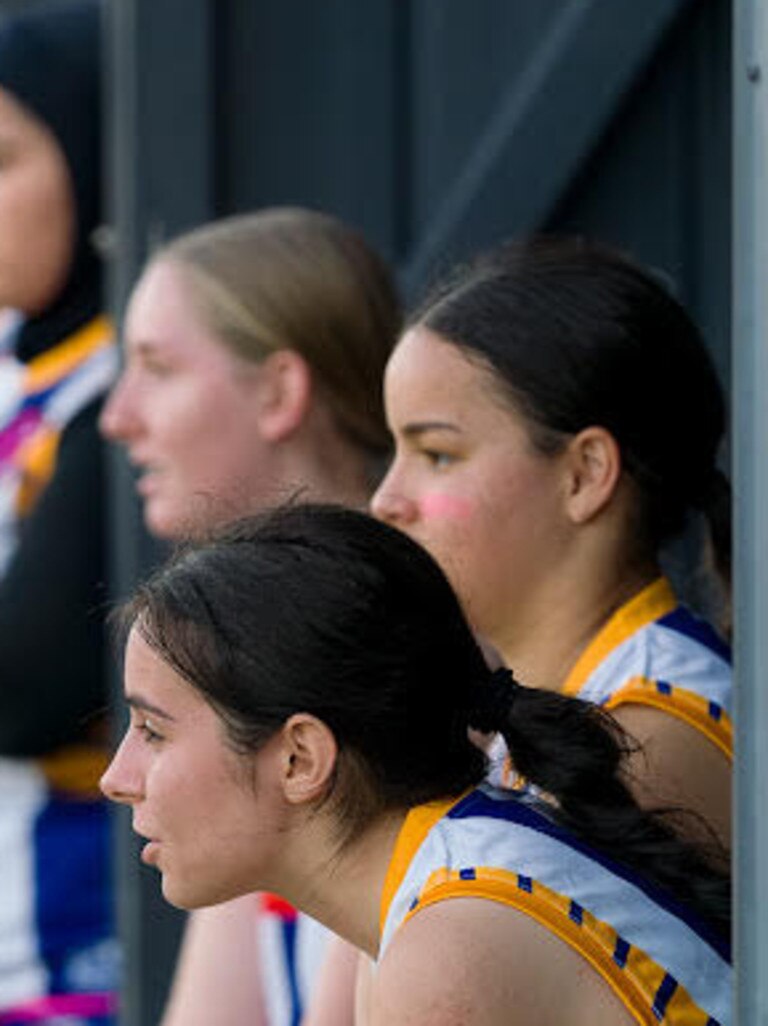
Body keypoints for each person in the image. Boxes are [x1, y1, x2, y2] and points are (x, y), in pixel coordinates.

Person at [100, 503, 731, 1026]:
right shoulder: (422, 904)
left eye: (153, 731)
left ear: (300, 759)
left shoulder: (448, 947)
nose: (116, 779)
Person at [99, 206, 400, 1026]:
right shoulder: (256, 651)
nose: (117, 415)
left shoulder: (396, 658)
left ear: (278, 391)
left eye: (156, 367)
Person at [371, 236, 732, 849]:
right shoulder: (544, 712)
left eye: (436, 454)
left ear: (585, 474)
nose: (385, 501)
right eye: (396, 451)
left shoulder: (646, 740)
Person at [0, 2, 119, 1022]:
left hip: (68, 943)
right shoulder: (22, 369)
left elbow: (25, 685)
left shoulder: (123, 385)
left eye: (1, 160)